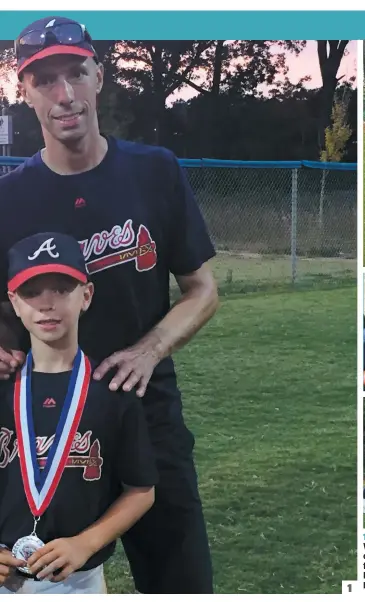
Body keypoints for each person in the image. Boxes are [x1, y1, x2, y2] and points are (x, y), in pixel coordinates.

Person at [0, 16, 218, 594]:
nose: (64, 94)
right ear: (24, 92)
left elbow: (202, 289)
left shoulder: (155, 171)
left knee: (182, 584)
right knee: (35, 586)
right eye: (44, 80)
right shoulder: (8, 198)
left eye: (76, 72)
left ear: (100, 76)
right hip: (39, 430)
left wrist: (151, 348)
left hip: (144, 412)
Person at [0, 231, 158, 594]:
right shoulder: (3, 389)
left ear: (86, 295)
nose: (46, 303)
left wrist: (85, 543)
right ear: (14, 302)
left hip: (77, 583)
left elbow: (141, 489)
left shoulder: (112, 392)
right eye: (31, 292)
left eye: (60, 288)